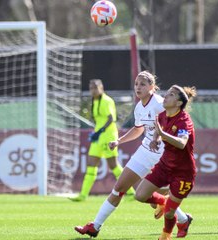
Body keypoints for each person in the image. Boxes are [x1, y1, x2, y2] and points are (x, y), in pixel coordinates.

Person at [74, 73, 192, 238]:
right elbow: (138, 129)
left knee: (150, 196)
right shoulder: (139, 107)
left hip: (163, 155)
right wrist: (119, 141)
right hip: (145, 151)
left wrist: (159, 138)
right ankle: (95, 226)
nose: (138, 87)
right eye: (136, 84)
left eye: (143, 84)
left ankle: (182, 218)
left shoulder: (159, 104)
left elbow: (172, 122)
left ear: (152, 86)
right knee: (119, 188)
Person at [135, 85, 197, 240]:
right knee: (140, 195)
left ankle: (166, 236)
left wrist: (162, 134)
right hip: (164, 166)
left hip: (183, 172)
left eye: (171, 95)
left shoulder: (184, 121)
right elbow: (158, 126)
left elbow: (182, 143)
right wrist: (156, 138)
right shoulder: (163, 115)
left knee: (169, 213)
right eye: (167, 93)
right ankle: (165, 203)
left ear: (178, 103)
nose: (166, 96)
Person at [69, 79, 135, 202]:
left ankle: (131, 193)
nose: (93, 90)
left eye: (95, 87)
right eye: (91, 88)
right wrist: (96, 132)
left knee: (114, 166)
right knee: (91, 164)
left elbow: (111, 119)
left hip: (108, 136)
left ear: (101, 87)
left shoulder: (107, 100)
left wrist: (99, 131)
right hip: (98, 137)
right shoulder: (94, 101)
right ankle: (83, 195)